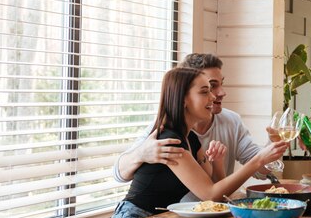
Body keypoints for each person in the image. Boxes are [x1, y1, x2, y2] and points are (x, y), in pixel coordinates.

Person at [107, 67, 287, 218]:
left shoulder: (191, 138)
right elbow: (210, 194)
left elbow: (216, 189)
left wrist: (218, 163)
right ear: (183, 99)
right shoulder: (170, 141)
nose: (213, 97)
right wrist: (258, 160)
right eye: (204, 92)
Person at [113, 53, 268, 190]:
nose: (220, 93)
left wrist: (274, 145)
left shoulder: (225, 124)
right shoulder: (166, 133)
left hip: (207, 211)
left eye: (221, 84)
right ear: (183, 95)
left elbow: (260, 170)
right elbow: (118, 174)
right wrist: (140, 154)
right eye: (209, 88)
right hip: (164, 216)